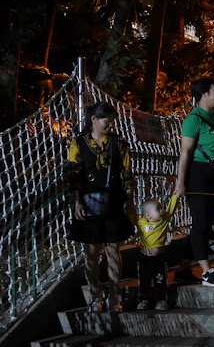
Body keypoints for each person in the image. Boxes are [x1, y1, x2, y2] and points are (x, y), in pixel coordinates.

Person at [67, 101, 135, 312]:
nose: (111, 125)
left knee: (114, 248)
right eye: (107, 120)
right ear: (93, 119)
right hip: (89, 202)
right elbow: (73, 174)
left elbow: (126, 172)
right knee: (91, 251)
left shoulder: (119, 143)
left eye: (113, 121)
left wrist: (130, 198)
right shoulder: (78, 143)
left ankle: (115, 295)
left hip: (113, 200)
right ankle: (94, 295)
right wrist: (76, 200)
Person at [174, 77, 214, 288]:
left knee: (203, 223)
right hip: (198, 174)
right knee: (201, 223)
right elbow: (185, 153)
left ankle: (183, 269)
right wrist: (181, 183)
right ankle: (207, 272)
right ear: (204, 94)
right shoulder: (193, 119)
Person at [132, 194, 179, 311]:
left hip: (159, 258)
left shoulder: (164, 220)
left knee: (160, 279)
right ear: (148, 215)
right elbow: (132, 218)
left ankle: (161, 300)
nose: (162, 211)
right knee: (144, 279)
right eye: (158, 209)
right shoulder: (141, 223)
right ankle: (144, 300)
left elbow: (171, 208)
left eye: (161, 208)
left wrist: (176, 195)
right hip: (145, 257)